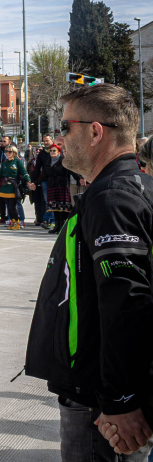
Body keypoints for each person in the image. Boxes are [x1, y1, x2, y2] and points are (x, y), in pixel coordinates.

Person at [25, 83, 153, 461]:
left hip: (98, 397)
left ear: (96, 132)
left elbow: (127, 300)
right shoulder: (132, 186)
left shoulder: (113, 196)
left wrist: (120, 400)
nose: (58, 138)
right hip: (99, 388)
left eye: (65, 128)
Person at [0, 145, 32, 230]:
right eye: (6, 151)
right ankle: (13, 221)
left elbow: (24, 173)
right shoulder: (4, 163)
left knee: (12, 206)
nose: (7, 153)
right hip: (5, 187)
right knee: (8, 207)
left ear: (14, 153)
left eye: (9, 151)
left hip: (14, 186)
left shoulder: (18, 162)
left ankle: (17, 222)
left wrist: (29, 182)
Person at [39, 143, 80, 233]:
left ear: (59, 152)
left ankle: (62, 227)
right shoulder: (48, 161)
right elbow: (44, 175)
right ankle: (56, 226)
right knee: (54, 208)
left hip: (62, 186)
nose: (52, 152)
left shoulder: (63, 161)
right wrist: (34, 183)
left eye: (54, 150)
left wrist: (80, 178)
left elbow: (71, 171)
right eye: (50, 151)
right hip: (52, 187)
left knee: (62, 208)